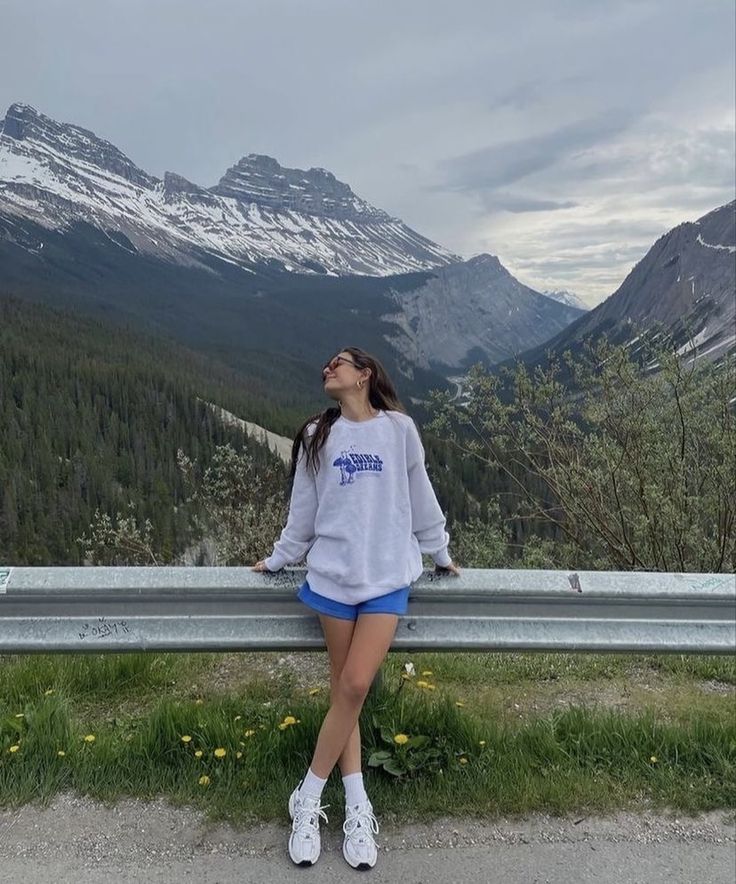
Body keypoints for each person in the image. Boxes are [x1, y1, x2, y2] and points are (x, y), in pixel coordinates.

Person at [252, 346, 460, 870]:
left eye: (340, 362)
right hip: (332, 578)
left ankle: (307, 796)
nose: (328, 367)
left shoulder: (398, 430)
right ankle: (358, 807)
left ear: (365, 376)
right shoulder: (316, 435)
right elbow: (303, 511)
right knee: (345, 692)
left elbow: (420, 493)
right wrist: (279, 559)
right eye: (326, 363)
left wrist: (440, 550)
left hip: (387, 575)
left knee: (354, 686)